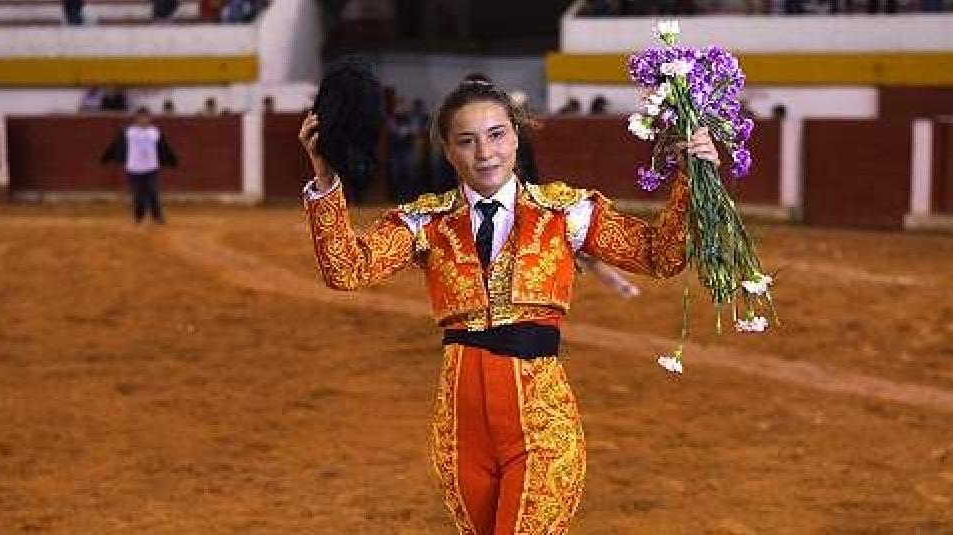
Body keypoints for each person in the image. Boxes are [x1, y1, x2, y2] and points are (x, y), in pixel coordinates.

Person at [297, 80, 719, 533]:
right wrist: (325, 177)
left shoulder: (567, 213)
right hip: (460, 433)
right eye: (467, 141)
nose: (485, 153)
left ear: (517, 136)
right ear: (448, 151)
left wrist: (692, 180)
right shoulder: (426, 221)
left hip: (541, 426)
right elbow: (348, 271)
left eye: (496, 135)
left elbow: (660, 256)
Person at [101, 107, 178, 225]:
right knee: (138, 195)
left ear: (150, 118)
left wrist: (172, 160)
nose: (143, 120)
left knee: (153, 192)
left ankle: (157, 216)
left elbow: (164, 147)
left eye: (146, 117)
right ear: (136, 118)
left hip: (151, 168)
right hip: (134, 169)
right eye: (141, 117)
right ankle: (139, 217)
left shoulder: (155, 132)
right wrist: (107, 157)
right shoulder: (129, 132)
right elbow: (116, 145)